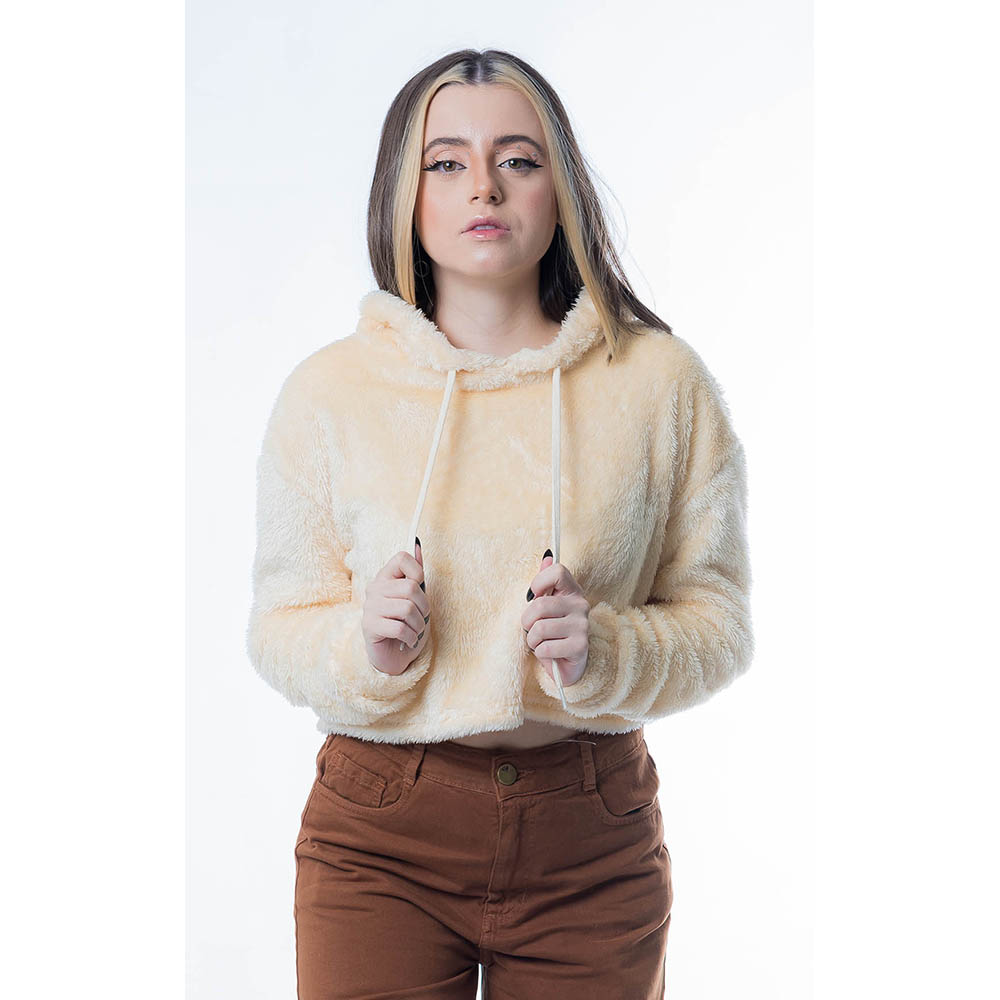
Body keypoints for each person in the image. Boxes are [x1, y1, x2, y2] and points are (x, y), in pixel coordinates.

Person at [246, 47, 754, 1000]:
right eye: (446, 162)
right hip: (379, 837)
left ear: (562, 189)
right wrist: (363, 651)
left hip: (591, 839)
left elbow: (721, 624)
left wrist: (608, 649)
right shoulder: (329, 393)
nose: (484, 185)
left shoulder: (661, 384)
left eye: (518, 159)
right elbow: (278, 625)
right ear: (404, 194)